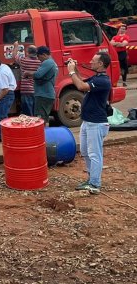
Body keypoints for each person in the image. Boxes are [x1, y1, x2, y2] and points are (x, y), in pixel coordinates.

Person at [68, 53, 112, 195]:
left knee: (95, 154)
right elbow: (82, 82)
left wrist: (72, 71)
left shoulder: (103, 81)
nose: (90, 62)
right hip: (88, 122)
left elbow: (80, 86)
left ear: (100, 64)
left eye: (93, 61)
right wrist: (76, 70)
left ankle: (95, 183)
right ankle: (91, 179)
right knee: (86, 152)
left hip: (96, 123)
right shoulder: (97, 78)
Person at [31, 46, 58, 123]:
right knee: (44, 119)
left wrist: (29, 73)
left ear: (44, 55)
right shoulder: (53, 63)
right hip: (47, 94)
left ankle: (43, 134)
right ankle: (45, 133)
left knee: (40, 120)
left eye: (38, 56)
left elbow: (37, 75)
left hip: (43, 95)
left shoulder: (48, 62)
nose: (38, 59)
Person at [15, 43, 40, 116]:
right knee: (36, 112)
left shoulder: (24, 61)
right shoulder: (40, 62)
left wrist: (16, 46)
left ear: (27, 53)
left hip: (26, 90)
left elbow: (15, 56)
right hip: (36, 90)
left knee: (28, 114)